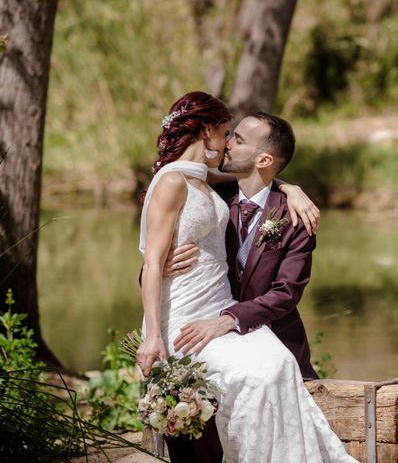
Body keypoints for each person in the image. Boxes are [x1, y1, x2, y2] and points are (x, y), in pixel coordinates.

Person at [136, 91, 356, 463]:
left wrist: (290, 188)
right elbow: (167, 246)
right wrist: (152, 270)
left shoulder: (296, 217)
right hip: (193, 319)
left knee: (270, 372)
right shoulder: (214, 192)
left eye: (237, 139)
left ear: (264, 158)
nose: (229, 143)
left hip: (260, 332)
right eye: (228, 134)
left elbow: (286, 294)